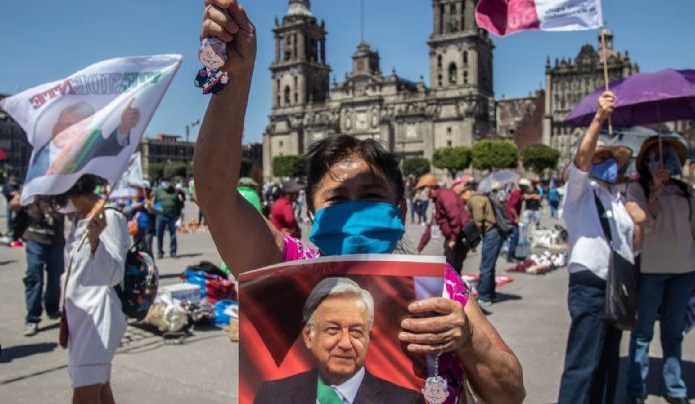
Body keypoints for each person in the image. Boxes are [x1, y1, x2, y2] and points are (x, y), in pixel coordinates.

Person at [193, 3, 525, 402]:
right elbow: (215, 195)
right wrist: (236, 77)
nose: (354, 209)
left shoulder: (440, 287)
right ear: (311, 214)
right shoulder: (286, 271)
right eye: (337, 198)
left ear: (400, 212)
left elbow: (510, 394)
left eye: (370, 196)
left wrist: (468, 338)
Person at [557, 91, 645, 404]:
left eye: (610, 159)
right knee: (583, 366)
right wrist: (599, 117)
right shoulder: (580, 191)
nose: (606, 163)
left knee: (607, 365)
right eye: (600, 158)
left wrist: (639, 223)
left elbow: (632, 249)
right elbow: (580, 160)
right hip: (591, 283)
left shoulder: (617, 199)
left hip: (616, 286)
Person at [254, 277, 423, 403]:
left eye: (356, 331)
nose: (345, 344)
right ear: (308, 336)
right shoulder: (273, 396)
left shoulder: (406, 401)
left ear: (368, 339)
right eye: (333, 330)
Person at [626, 136, 695, 404]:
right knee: (643, 332)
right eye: (656, 156)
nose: (663, 161)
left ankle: (675, 388)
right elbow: (644, 225)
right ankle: (636, 389)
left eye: (668, 156)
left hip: (684, 268)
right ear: (646, 162)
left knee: (673, 333)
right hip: (652, 269)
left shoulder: (685, 190)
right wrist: (655, 192)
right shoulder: (637, 189)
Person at [52, 175, 129, 404]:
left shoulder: (110, 217)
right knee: (99, 386)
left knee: (85, 390)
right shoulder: (80, 218)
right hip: (79, 314)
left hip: (99, 315)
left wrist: (97, 243)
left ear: (75, 195)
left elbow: (115, 274)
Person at [28, 100, 140, 181]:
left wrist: (124, 126)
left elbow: (111, 146)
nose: (70, 132)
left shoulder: (90, 143)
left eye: (78, 128)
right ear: (55, 127)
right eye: (66, 125)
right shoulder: (37, 152)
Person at [9, 193, 65, 336]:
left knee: (55, 278)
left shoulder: (61, 189)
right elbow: (13, 205)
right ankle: (32, 318)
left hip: (56, 241)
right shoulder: (31, 188)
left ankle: (52, 308)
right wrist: (25, 198)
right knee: (34, 278)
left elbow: (72, 212)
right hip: (35, 239)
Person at [415, 174, 470, 275]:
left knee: (452, 268)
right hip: (453, 236)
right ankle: (455, 289)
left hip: (458, 236)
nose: (422, 193)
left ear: (429, 188)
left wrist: (453, 238)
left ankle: (454, 290)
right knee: (452, 268)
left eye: (423, 189)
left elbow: (455, 216)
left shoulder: (445, 195)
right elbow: (431, 226)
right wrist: (420, 247)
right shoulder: (436, 200)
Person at [463, 181, 505, 308]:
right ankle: (491, 294)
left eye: (462, 192)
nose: (461, 195)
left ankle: (485, 297)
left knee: (485, 266)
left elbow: (478, 222)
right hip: (493, 233)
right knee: (489, 265)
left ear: (469, 190)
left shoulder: (476, 200)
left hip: (491, 233)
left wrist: (473, 241)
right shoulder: (480, 197)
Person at [126, 182, 161, 257]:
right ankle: (140, 267)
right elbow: (126, 211)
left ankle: (150, 267)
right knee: (138, 249)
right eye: (138, 190)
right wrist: (135, 206)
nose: (140, 191)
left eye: (142, 190)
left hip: (148, 228)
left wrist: (150, 207)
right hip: (135, 228)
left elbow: (160, 211)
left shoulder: (151, 200)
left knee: (147, 248)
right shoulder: (132, 200)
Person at [154, 179, 184, 259]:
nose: (166, 183)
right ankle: (160, 252)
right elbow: (154, 202)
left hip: (172, 216)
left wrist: (178, 215)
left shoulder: (174, 191)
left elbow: (178, 204)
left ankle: (173, 252)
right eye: (165, 181)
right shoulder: (158, 191)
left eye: (168, 181)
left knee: (173, 235)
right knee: (159, 234)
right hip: (161, 216)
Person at [505, 179, 529, 262]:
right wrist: (516, 218)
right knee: (515, 237)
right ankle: (510, 256)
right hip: (511, 218)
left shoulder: (519, 193)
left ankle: (513, 254)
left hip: (512, 217)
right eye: (526, 187)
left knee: (515, 237)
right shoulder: (517, 193)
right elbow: (512, 207)